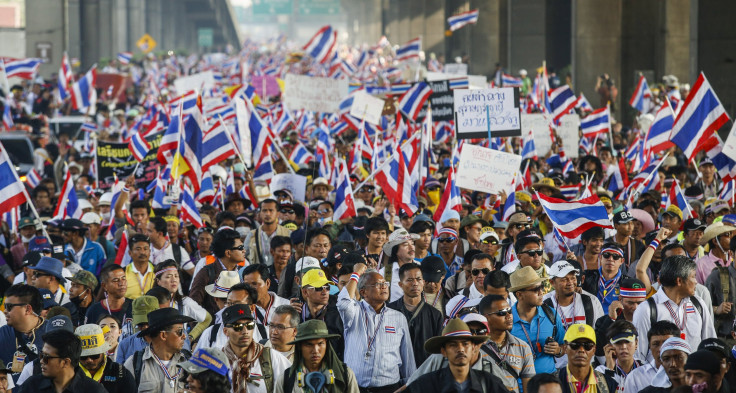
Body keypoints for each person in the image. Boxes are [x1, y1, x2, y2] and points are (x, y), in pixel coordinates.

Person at [337, 263, 416, 391]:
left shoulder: (398, 317)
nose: (384, 287)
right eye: (378, 284)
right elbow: (343, 303)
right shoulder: (354, 312)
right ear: (363, 292)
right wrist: (356, 274)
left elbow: (407, 357)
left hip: (390, 388)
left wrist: (410, 385)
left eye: (385, 284)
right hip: (356, 388)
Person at [633, 255, 716, 362]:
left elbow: (710, 344)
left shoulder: (698, 304)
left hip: (693, 376)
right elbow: (639, 355)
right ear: (679, 281)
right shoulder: (647, 309)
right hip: (659, 376)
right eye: (693, 276)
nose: (696, 282)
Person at [405, 318, 507, 393]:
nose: (460, 349)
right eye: (453, 345)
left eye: (465, 344)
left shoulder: (489, 382)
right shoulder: (427, 383)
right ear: (444, 352)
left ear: (473, 348)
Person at [220, 304, 291, 393]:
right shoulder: (217, 360)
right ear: (226, 331)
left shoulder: (271, 357)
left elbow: (293, 387)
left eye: (249, 325)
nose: (245, 331)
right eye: (238, 327)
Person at [275, 319, 360, 393]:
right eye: (309, 345)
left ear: (326, 344)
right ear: (299, 347)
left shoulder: (346, 375)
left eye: (320, 343)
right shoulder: (285, 379)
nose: (315, 350)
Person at [123, 308, 195, 392]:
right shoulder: (135, 363)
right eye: (180, 331)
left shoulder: (188, 361)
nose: (184, 336)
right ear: (163, 335)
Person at [509, 266, 565, 374]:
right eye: (535, 289)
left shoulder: (551, 314)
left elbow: (564, 345)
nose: (541, 292)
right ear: (519, 295)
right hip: (520, 386)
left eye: (541, 287)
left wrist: (558, 350)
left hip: (549, 382)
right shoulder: (507, 320)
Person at [16, 329, 107, 393]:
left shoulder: (94, 390)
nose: (41, 361)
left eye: (46, 357)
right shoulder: (31, 386)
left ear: (66, 362)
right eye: (41, 355)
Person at [388, 263, 443, 367]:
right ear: (400, 284)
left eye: (418, 279)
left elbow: (438, 350)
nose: (415, 283)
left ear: (423, 282)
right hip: (395, 372)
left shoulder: (435, 315)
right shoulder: (389, 311)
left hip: (425, 372)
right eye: (409, 280)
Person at [479, 294, 536, 392]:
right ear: (486, 317)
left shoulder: (522, 347)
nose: (508, 316)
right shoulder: (476, 347)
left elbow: (529, 387)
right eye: (502, 313)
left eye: (509, 311)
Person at [190, 228, 246, 317]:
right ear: (228, 253)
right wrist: (206, 329)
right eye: (240, 248)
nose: (244, 250)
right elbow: (193, 305)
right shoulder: (206, 273)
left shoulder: (244, 273)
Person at [153, 260, 212, 341]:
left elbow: (207, 318)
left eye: (176, 276)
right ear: (158, 281)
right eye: (168, 276)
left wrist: (190, 337)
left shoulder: (185, 302)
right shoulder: (149, 302)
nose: (174, 280)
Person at [0, 284, 47, 383]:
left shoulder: (52, 331)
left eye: (9, 307)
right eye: (5, 306)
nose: (4, 311)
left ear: (27, 309)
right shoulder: (2, 334)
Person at [296, 268, 345, 360]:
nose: (324, 292)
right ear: (305, 292)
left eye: (327, 288)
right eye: (319, 288)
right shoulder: (296, 315)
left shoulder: (338, 314)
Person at [556, 323, 618, 393]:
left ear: (594, 350)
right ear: (565, 348)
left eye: (587, 346)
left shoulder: (609, 385)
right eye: (575, 345)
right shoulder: (552, 382)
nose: (581, 350)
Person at [75, 323, 136, 393]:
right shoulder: (68, 375)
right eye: (83, 357)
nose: (89, 360)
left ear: (103, 352)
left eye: (95, 355)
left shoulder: (121, 374)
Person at [624, 321, 681, 393]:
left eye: (666, 343)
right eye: (656, 344)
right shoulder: (635, 377)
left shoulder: (689, 374)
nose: (661, 349)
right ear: (650, 347)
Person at [241, 264, 291, 333]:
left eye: (254, 284)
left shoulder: (287, 306)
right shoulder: (242, 310)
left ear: (267, 283)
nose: (250, 289)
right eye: (246, 285)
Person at [581, 243, 629, 314]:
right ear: (600, 258)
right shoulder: (587, 276)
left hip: (615, 323)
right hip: (591, 320)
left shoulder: (627, 282)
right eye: (606, 255)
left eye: (615, 257)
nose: (610, 259)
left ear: (622, 261)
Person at [593, 320, 642, 388]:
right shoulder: (600, 372)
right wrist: (609, 370)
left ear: (636, 343)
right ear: (610, 345)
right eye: (618, 342)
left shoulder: (646, 370)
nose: (623, 347)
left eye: (627, 342)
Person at [501, 230, 551, 294]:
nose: (536, 255)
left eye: (539, 252)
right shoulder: (509, 279)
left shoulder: (552, 274)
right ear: (519, 257)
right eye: (531, 252)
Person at [246, 198, 292, 266]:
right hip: (258, 275)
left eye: (271, 210)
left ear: (277, 214)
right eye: (264, 210)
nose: (267, 214)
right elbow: (244, 255)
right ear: (260, 213)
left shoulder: (287, 233)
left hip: (281, 274)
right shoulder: (252, 234)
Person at [379, 229, 419, 302]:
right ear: (396, 251)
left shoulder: (421, 267)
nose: (411, 247)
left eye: (412, 243)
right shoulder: (384, 273)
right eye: (405, 245)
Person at [123, 233, 155, 299]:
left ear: (150, 252)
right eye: (138, 249)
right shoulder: (123, 273)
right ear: (130, 253)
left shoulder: (158, 271)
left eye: (145, 249)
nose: (142, 252)